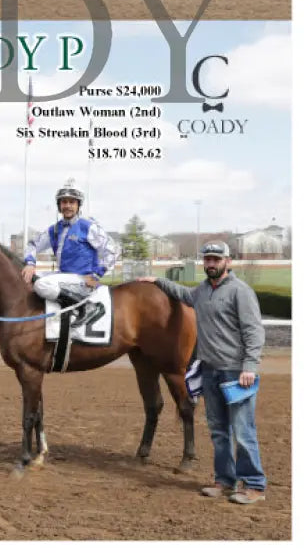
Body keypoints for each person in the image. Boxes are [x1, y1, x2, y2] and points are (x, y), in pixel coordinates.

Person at [138, 242, 266, 505]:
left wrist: (250, 367)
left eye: (216, 259)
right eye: (207, 259)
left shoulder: (240, 291)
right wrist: (157, 281)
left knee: (243, 431)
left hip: (236, 372)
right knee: (218, 431)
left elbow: (254, 331)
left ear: (228, 262)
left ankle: (254, 485)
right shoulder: (203, 290)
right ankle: (224, 480)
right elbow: (183, 294)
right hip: (210, 371)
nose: (211, 264)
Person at [21, 179, 120, 310]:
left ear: (78, 205)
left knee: (41, 285)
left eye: (72, 202)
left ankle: (83, 307)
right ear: (59, 205)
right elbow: (32, 245)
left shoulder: (88, 226)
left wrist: (96, 275)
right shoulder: (55, 229)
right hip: (63, 277)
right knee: (25, 277)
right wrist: (30, 263)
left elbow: (113, 250)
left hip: (82, 280)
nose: (67, 206)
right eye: (64, 202)